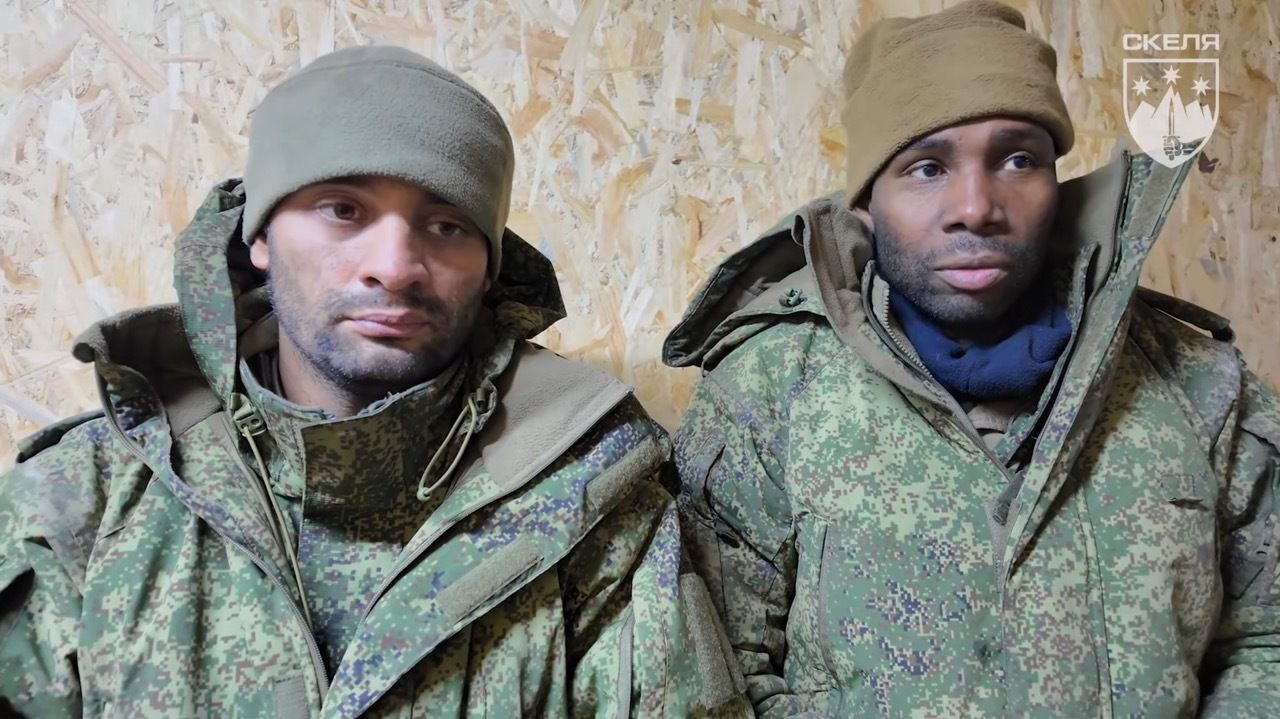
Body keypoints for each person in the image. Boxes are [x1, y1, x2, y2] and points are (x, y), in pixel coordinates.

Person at [0, 45, 747, 717]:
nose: (393, 266)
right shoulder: (85, 503)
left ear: (489, 269)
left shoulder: (594, 499)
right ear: (259, 236)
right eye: (342, 209)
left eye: (447, 224)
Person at [664, 1, 1280, 716]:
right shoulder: (770, 389)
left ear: (1056, 185)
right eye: (926, 168)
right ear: (866, 203)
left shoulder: (1199, 386)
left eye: (1018, 159)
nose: (977, 205)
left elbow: (1266, 640)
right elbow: (713, 679)